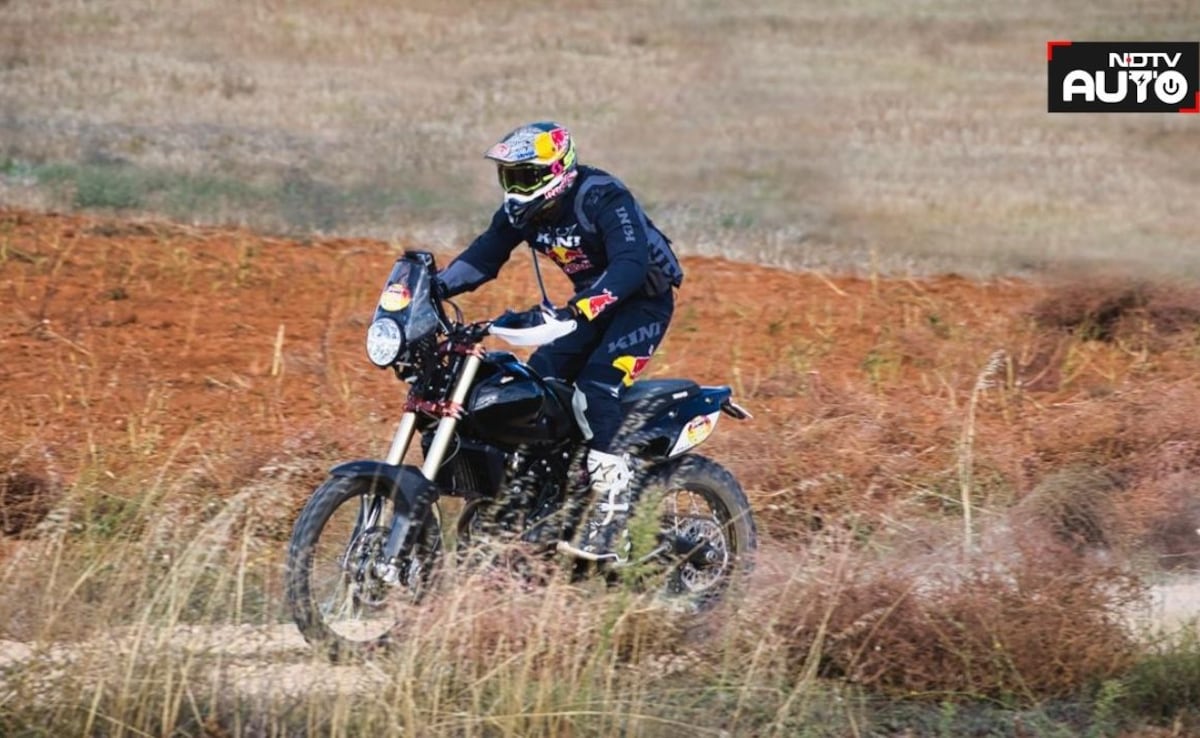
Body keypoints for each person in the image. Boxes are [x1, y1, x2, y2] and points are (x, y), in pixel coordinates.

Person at [436, 121, 684, 560]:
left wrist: (581, 309)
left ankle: (614, 513)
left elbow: (630, 262)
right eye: (508, 177)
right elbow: (483, 256)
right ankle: (552, 495)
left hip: (641, 304)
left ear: (559, 171)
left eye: (525, 176)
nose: (514, 187)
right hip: (588, 307)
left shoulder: (602, 195)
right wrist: (433, 288)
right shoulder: (520, 212)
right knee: (537, 388)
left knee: (596, 389)